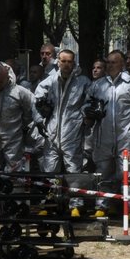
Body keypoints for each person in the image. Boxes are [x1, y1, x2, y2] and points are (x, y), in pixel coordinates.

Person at [87, 50, 130, 219]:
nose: (109, 65)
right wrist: (90, 112)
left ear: (122, 64)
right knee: (103, 172)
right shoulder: (98, 85)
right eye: (108, 62)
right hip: (103, 136)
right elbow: (87, 105)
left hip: (126, 136)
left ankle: (129, 208)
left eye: (113, 62)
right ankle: (102, 206)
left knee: (128, 173)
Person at [33, 48, 92, 217]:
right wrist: (39, 119)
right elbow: (36, 102)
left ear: (74, 63)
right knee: (50, 171)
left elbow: (89, 103)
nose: (66, 65)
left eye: (69, 62)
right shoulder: (49, 82)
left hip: (72, 134)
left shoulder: (83, 82)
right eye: (63, 61)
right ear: (58, 62)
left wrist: (85, 116)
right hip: (51, 134)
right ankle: (49, 203)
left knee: (74, 171)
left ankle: (75, 205)